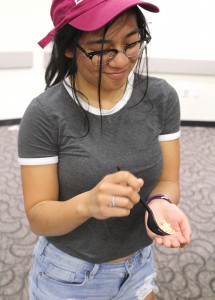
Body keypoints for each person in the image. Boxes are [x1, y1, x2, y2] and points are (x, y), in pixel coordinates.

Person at [18, 1, 192, 299]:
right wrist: (88, 203)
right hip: (68, 276)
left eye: (132, 43)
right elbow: (38, 216)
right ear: (70, 48)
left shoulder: (161, 97)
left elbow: (168, 180)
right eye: (102, 49)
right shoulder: (46, 114)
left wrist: (160, 202)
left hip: (138, 264)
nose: (122, 61)